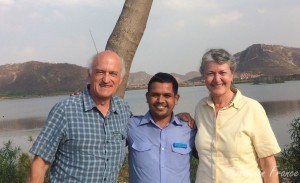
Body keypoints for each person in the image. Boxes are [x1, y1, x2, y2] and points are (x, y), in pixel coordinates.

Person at [27, 50, 132, 183]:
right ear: (89, 74)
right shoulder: (65, 110)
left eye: (113, 73)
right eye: (100, 72)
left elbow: (147, 133)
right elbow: (39, 165)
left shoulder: (123, 111)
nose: (106, 79)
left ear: (120, 80)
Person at [194, 49, 281, 183]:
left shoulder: (251, 108)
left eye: (223, 73)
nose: (217, 79)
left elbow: (268, 163)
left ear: (232, 75)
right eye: (210, 73)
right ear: (204, 76)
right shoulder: (201, 108)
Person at [127, 72, 196, 183]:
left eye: (167, 95)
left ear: (176, 98)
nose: (160, 100)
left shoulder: (189, 129)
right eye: (155, 95)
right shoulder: (131, 126)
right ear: (147, 97)